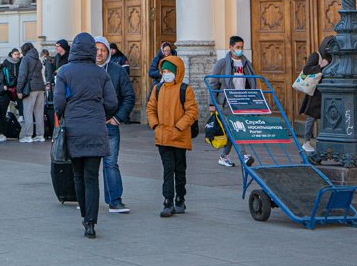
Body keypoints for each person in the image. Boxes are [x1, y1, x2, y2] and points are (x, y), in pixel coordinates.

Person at [54, 33, 118, 239]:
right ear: (91, 50)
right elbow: (112, 103)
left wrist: (67, 113)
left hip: (74, 130)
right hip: (96, 129)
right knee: (92, 177)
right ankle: (91, 221)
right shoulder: (101, 74)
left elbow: (58, 103)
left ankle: (84, 216)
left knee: (78, 175)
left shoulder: (64, 71)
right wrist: (101, 114)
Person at [146, 56, 199, 217]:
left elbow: (192, 111)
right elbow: (150, 108)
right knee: (168, 169)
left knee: (180, 169)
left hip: (180, 137)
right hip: (163, 137)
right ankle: (167, 201)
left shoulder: (185, 89)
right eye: (164, 71)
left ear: (177, 72)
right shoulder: (158, 89)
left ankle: (180, 198)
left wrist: (179, 126)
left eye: (170, 71)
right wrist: (155, 125)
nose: (166, 74)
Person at [93, 36, 135, 215]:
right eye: (96, 49)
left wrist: (117, 118)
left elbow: (129, 96)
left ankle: (115, 201)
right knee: (89, 165)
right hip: (89, 125)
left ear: (108, 53)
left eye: (103, 50)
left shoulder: (117, 71)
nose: (99, 53)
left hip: (110, 124)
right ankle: (88, 200)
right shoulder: (84, 69)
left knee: (110, 164)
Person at [208, 35, 255, 167]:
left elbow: (251, 81)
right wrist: (212, 103)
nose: (240, 50)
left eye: (242, 47)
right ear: (230, 47)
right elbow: (213, 84)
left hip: (242, 101)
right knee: (237, 129)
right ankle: (244, 155)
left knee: (233, 130)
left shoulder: (246, 64)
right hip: (227, 103)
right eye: (237, 47)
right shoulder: (222, 64)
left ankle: (224, 156)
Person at [299, 36, 334, 153]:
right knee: (312, 116)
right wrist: (321, 66)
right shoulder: (316, 55)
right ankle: (306, 141)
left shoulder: (333, 57)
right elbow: (306, 70)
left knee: (327, 115)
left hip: (328, 90)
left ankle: (325, 140)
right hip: (315, 91)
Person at [17, 42, 46, 142]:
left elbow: (22, 75)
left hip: (31, 88)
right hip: (41, 87)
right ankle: (40, 135)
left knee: (27, 112)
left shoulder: (25, 59)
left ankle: (28, 136)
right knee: (39, 112)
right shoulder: (38, 59)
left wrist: (19, 90)